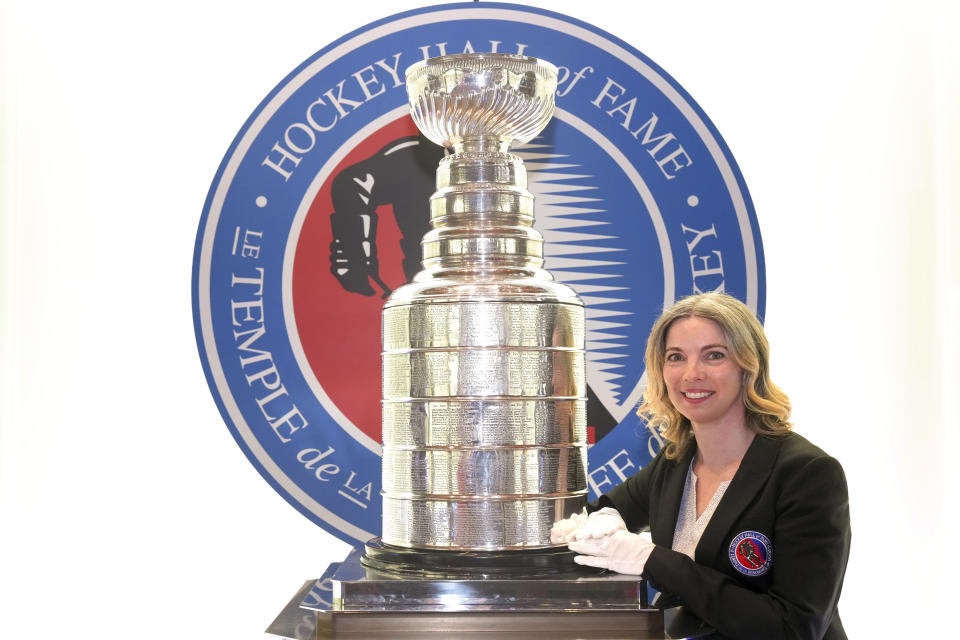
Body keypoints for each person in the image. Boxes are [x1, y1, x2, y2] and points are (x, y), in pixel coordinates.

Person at [551, 292, 850, 640]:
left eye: (714, 356)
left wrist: (653, 560)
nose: (692, 374)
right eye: (676, 357)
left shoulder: (808, 475)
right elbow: (602, 512)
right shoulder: (675, 461)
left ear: (748, 367)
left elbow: (794, 628)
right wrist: (598, 522)